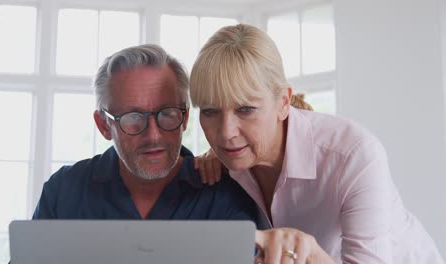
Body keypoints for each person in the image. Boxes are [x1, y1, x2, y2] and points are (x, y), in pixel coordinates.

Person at [190, 24, 445, 264]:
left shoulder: (354, 155)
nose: (225, 132)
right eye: (210, 111)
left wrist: (310, 254)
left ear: (283, 102)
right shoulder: (230, 158)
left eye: (246, 109)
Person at [32, 44, 257, 223]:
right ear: (103, 125)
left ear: (185, 118)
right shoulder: (64, 190)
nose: (153, 136)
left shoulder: (225, 193)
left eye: (167, 114)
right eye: (132, 118)